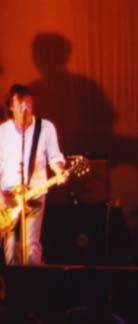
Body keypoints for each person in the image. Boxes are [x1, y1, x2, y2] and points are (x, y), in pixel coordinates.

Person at [0, 84, 65, 264]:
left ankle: (33, 281)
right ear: (11, 106)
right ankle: (14, 282)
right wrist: (2, 198)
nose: (25, 107)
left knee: (31, 247)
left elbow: (55, 157)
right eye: (20, 103)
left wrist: (60, 170)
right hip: (8, 199)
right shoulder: (2, 132)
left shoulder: (45, 128)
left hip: (35, 194)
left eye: (28, 102)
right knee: (11, 251)